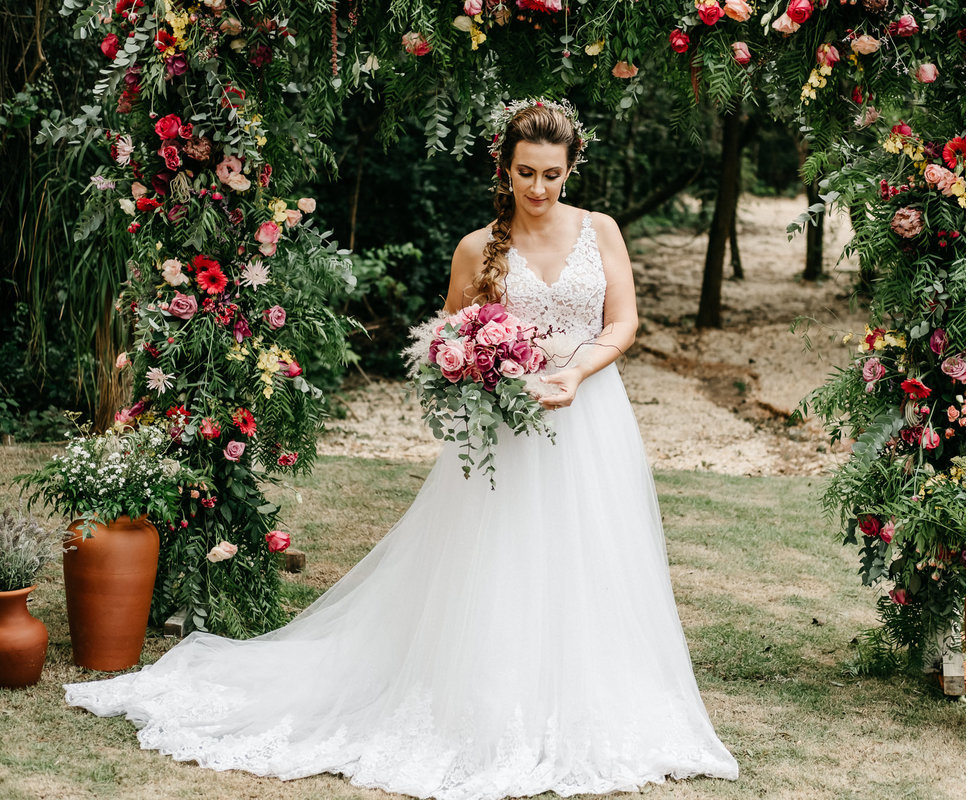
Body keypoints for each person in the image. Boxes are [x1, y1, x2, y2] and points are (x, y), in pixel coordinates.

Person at [65, 99, 739, 800]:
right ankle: (485, 700)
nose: (539, 189)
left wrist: (577, 369)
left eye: (552, 175)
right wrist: (485, 374)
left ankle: (589, 700)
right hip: (504, 430)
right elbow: (450, 340)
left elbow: (623, 320)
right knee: (500, 562)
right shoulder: (479, 248)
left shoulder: (600, 232)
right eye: (525, 173)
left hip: (590, 416)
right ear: (503, 169)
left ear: (571, 169)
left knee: (594, 560)